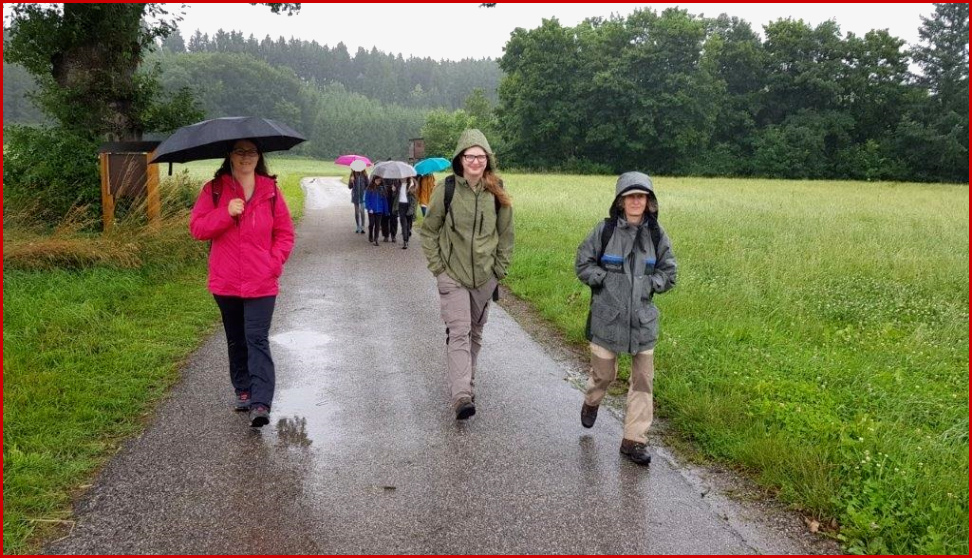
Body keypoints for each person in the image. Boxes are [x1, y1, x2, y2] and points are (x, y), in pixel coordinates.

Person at [189, 139, 295, 428]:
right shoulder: (214, 190)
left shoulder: (270, 190)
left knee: (257, 339)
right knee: (236, 339)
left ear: (258, 156)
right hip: (226, 281)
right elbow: (197, 228)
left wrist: (273, 263)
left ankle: (261, 402)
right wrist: (225, 213)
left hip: (261, 281)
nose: (246, 157)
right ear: (230, 156)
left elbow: (284, 234)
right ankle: (244, 390)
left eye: (251, 151)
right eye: (240, 151)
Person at [574, 171, 676, 465]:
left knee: (643, 381)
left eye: (641, 196)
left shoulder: (657, 235)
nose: (636, 201)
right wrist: (602, 279)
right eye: (630, 196)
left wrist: (651, 284)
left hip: (643, 321)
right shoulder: (604, 231)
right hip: (607, 318)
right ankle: (592, 401)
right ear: (620, 202)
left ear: (649, 201)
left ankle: (634, 440)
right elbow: (583, 263)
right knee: (604, 375)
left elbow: (669, 273)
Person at [421, 129, 514, 420]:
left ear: (488, 160)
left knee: (475, 332)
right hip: (453, 275)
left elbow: (506, 236)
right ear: (460, 159)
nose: (475, 161)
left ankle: (467, 386)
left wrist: (498, 271)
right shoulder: (445, 190)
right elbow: (429, 232)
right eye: (469, 156)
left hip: (485, 279)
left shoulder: (497, 192)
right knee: (459, 331)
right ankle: (461, 395)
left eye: (480, 156)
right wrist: (439, 269)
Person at [393, 176, 419, 249]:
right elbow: (395, 197)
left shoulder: (412, 184)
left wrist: (412, 186)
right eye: (401, 178)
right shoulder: (398, 185)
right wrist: (394, 190)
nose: (402, 179)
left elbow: (414, 199)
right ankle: (405, 241)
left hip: (409, 206)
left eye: (403, 177)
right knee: (403, 224)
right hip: (401, 206)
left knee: (408, 225)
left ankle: (407, 239)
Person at [348, 162, 369, 234]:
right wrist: (351, 181)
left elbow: (367, 185)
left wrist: (365, 191)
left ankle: (363, 226)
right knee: (357, 212)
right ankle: (358, 226)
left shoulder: (364, 175)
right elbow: (349, 187)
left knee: (362, 212)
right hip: (355, 196)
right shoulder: (352, 175)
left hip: (362, 196)